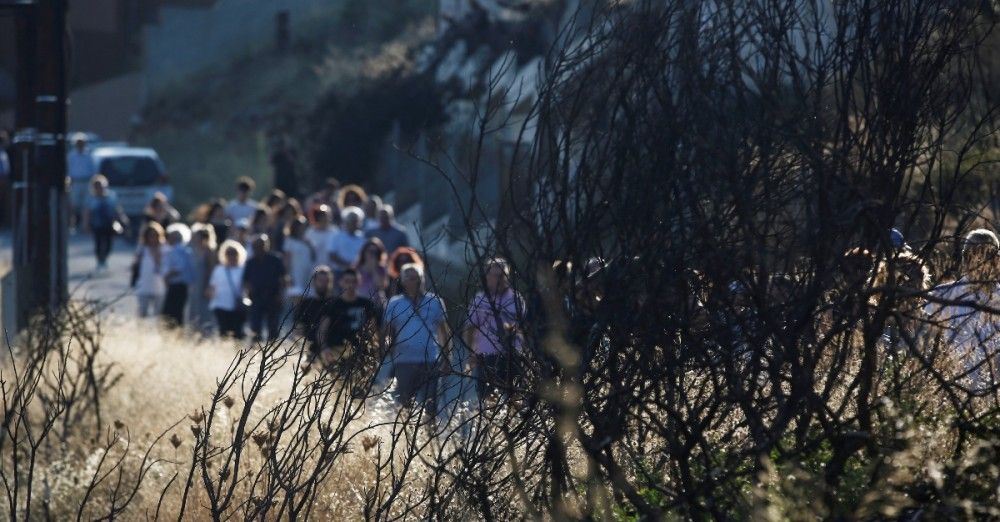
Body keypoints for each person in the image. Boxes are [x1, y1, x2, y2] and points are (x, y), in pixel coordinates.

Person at [925, 228, 1000, 390]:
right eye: (973, 254)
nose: (979, 260)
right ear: (965, 258)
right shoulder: (942, 295)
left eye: (986, 255)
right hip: (953, 387)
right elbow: (924, 338)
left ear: (997, 260)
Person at [383, 264, 450, 416]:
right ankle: (404, 437)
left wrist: (447, 357)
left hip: (430, 360)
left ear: (423, 279)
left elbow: (444, 332)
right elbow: (388, 332)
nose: (415, 282)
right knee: (404, 404)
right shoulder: (394, 303)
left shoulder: (435, 301)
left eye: (417, 278)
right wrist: (389, 348)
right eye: (410, 278)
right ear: (403, 281)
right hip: (404, 361)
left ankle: (429, 436)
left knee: (430, 406)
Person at [463, 258, 526, 400]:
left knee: (516, 397)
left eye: (503, 275)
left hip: (512, 355)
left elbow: (524, 327)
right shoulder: (480, 299)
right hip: (487, 357)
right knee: (488, 399)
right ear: (487, 277)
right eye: (496, 275)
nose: (500, 279)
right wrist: (471, 353)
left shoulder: (516, 298)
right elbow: (470, 328)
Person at [318, 268, 380, 370]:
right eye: (347, 281)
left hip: (362, 353)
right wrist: (324, 349)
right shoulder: (332, 304)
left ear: (359, 283)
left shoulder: (367, 304)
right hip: (336, 352)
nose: (350, 285)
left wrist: (375, 352)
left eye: (354, 281)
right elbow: (322, 330)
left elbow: (374, 331)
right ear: (341, 282)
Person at [243, 234, 287, 342]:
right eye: (257, 245)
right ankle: (254, 352)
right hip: (256, 298)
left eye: (262, 245)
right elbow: (246, 280)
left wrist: (281, 294)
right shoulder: (250, 262)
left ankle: (271, 351)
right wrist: (248, 294)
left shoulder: (275, 259)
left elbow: (283, 278)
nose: (259, 247)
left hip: (273, 297)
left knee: (273, 327)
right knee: (255, 327)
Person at [81, 174, 126, 272]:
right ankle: (99, 260)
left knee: (109, 243)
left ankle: (105, 258)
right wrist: (86, 224)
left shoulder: (111, 196)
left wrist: (121, 219)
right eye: (97, 186)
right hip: (97, 224)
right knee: (98, 243)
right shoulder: (91, 198)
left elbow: (117, 209)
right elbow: (87, 212)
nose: (99, 189)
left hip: (109, 223)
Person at [208, 240, 248, 339]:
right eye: (228, 253)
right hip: (220, 304)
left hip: (236, 306)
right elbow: (212, 285)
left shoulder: (243, 270)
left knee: (237, 333)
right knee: (223, 332)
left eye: (234, 253)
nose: (231, 256)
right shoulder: (219, 269)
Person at [295, 266, 335, 364]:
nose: (323, 284)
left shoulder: (335, 304)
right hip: (309, 349)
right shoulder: (305, 304)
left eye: (326, 281)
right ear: (314, 281)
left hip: (331, 349)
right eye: (320, 280)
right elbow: (298, 330)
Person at [161, 223, 195, 328]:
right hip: (181, 285)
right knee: (178, 310)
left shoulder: (177, 250)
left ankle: (173, 332)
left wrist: (166, 277)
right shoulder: (185, 250)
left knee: (171, 312)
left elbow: (179, 267)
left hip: (177, 284)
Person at [189, 224, 217, 334]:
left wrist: (208, 287)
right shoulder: (192, 250)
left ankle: (206, 333)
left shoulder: (209, 251)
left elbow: (211, 270)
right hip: (194, 285)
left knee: (204, 311)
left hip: (204, 285)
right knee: (193, 310)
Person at [134, 223, 167, 318]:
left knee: (159, 314)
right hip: (144, 285)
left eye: (154, 235)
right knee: (142, 312)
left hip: (159, 286)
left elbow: (163, 266)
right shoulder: (142, 249)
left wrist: (157, 256)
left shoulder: (164, 249)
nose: (152, 238)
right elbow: (136, 265)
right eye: (150, 236)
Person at [67, 133, 97, 228]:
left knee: (86, 204)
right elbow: (69, 169)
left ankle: (84, 224)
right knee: (75, 204)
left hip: (86, 182)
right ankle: (74, 222)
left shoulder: (88, 156)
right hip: (76, 182)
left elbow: (93, 170)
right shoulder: (71, 156)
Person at [283, 216, 316, 298]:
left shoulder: (309, 240)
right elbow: (286, 260)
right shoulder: (289, 241)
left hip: (307, 273)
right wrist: (288, 275)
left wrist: (309, 245)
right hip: (295, 274)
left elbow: (313, 257)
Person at [328, 206, 366, 276]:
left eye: (356, 221)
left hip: (356, 273)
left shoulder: (363, 238)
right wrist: (347, 266)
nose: (353, 223)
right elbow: (332, 255)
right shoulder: (336, 236)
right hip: (339, 272)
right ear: (345, 221)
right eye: (351, 221)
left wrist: (354, 266)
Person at [305, 205, 338, 273]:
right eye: (321, 216)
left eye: (326, 216)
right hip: (313, 269)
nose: (324, 218)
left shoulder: (335, 231)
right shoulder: (310, 232)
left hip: (331, 269)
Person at [355, 237, 388, 304]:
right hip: (360, 301)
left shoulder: (381, 269)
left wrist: (373, 269)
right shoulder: (357, 267)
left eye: (375, 252)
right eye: (370, 251)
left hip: (376, 302)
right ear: (364, 252)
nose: (372, 254)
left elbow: (381, 286)